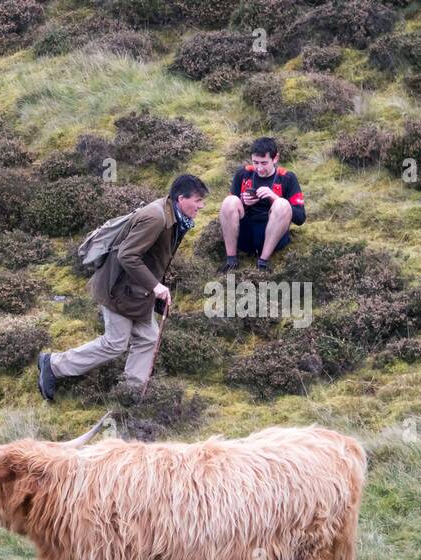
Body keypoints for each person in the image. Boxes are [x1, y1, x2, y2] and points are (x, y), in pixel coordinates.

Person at [39, 174, 208, 400]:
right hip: (118, 288)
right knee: (115, 343)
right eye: (197, 200)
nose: (201, 205)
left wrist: (154, 288)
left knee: (148, 338)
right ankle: (53, 365)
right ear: (180, 198)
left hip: (137, 292)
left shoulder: (173, 216)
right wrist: (156, 286)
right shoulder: (156, 218)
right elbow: (127, 255)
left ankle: (131, 392)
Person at [219, 136, 306, 272]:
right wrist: (243, 202)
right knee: (230, 201)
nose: (259, 168)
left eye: (264, 163)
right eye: (256, 162)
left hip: (274, 238)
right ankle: (231, 260)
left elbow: (300, 218)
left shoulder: (287, 178)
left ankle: (263, 262)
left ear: (275, 158)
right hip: (245, 236)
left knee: (282, 204)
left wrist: (275, 198)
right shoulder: (243, 174)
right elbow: (227, 211)